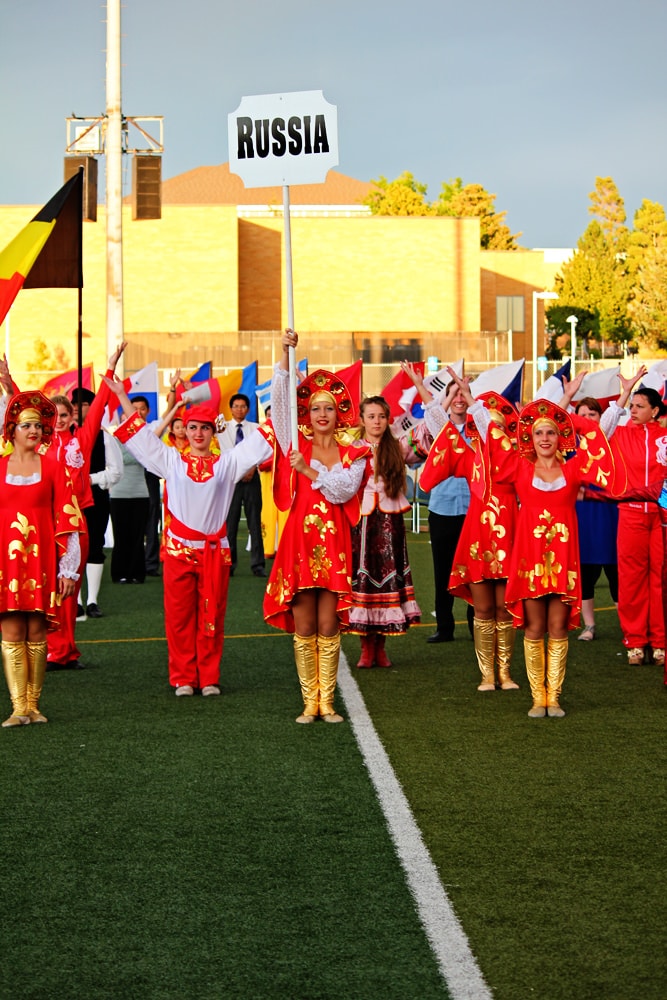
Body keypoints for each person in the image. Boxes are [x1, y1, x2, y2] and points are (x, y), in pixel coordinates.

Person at [103, 374, 273, 695]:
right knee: (180, 618)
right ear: (185, 430)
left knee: (212, 615)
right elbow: (140, 437)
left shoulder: (228, 463)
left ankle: (208, 677)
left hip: (214, 553)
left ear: (213, 432)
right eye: (192, 427)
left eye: (204, 428)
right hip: (180, 552)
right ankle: (183, 677)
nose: (197, 433)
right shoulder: (171, 461)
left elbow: (265, 437)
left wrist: (284, 388)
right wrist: (121, 396)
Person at [477, 395, 616, 717]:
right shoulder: (519, 467)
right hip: (530, 563)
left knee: (558, 628)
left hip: (564, 563)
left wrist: (566, 418)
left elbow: (597, 434)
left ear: (561, 438)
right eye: (538, 433)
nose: (544, 439)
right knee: (534, 629)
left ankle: (554, 696)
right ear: (529, 438)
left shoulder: (576, 467)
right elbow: (492, 436)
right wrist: (474, 405)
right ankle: (537, 697)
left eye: (551, 432)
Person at [264, 330, 369, 723]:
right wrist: (286, 353)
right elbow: (279, 406)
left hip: (335, 542)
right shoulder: (295, 441)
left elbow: (343, 491)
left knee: (329, 623)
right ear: (306, 414)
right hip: (300, 542)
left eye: (328, 408)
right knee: (304, 623)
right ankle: (310, 701)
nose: (321, 414)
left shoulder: (352, 451)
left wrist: (309, 470)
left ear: (337, 412)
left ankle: (328, 701)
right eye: (314, 408)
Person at [420, 383, 520, 691]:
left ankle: (504, 672)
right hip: (477, 540)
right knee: (484, 609)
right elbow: (441, 424)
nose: (493, 434)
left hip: (507, 540)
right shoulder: (469, 457)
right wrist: (441, 393)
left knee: (505, 609)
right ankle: (487, 674)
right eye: (488, 429)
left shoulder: (517, 461)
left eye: (499, 429)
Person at [0, 391, 84, 726]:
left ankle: (33, 707)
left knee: (36, 631)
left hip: (42, 560)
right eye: (26, 425)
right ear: (12, 430)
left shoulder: (54, 467)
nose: (34, 430)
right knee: (10, 628)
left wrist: (69, 569)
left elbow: (69, 519)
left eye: (38, 425)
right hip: (6, 561)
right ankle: (18, 707)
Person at [348, 396, 421, 668]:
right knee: (364, 577)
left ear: (388, 419)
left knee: (388, 577)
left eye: (381, 416)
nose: (376, 421)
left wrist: (429, 395)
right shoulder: (351, 448)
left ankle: (381, 647)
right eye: (371, 416)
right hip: (362, 521)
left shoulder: (398, 445)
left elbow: (429, 436)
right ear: (362, 419)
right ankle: (366, 647)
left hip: (391, 522)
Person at [606, 384, 667, 665]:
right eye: (632, 406)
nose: (633, 411)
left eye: (640, 406)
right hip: (630, 514)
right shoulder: (620, 434)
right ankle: (635, 641)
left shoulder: (664, 437)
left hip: (661, 517)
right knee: (631, 580)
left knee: (660, 579)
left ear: (655, 411)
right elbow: (601, 429)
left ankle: (660, 642)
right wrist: (622, 395)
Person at [70, 384, 123, 619]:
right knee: (71, 548)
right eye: (74, 404)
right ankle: (75, 601)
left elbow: (116, 472)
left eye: (82, 404)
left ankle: (92, 600)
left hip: (96, 498)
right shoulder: (64, 435)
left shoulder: (105, 437)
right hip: (68, 499)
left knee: (94, 546)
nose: (76, 408)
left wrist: (89, 479)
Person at [217, 394, 266, 577]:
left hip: (252, 478)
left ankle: (258, 565)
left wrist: (252, 467)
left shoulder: (255, 428)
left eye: (243, 406)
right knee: (231, 524)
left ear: (248, 409)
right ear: (231, 408)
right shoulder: (222, 428)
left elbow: (261, 451)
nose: (239, 409)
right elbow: (226, 452)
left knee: (255, 523)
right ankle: (229, 564)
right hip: (231, 478)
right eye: (236, 406)